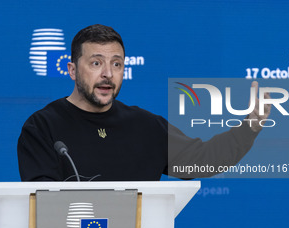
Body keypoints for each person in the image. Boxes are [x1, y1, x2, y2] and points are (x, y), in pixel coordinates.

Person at [17, 24, 271, 181]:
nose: (108, 73)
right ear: (72, 70)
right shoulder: (43, 127)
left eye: (116, 64)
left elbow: (203, 159)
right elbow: (42, 204)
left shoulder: (146, 126)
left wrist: (249, 127)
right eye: (96, 63)